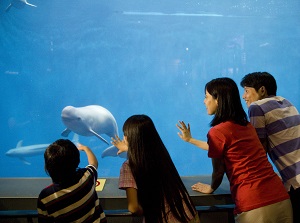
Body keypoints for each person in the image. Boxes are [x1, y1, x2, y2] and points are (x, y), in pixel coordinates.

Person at [177, 77, 292, 223]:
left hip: (255, 205)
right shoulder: (246, 126)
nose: (204, 101)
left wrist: (211, 188)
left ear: (218, 100)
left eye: (206, 97)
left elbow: (218, 171)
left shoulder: (217, 132)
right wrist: (191, 140)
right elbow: (225, 148)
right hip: (280, 198)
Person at [111, 114, 200, 223]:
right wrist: (129, 148)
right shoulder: (161, 153)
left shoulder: (128, 166)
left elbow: (133, 207)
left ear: (127, 137)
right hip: (188, 214)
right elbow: (143, 151)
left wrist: (145, 211)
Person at [240, 71, 300, 222]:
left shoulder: (257, 107)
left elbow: (259, 148)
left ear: (262, 90)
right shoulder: (287, 102)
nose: (244, 96)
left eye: (247, 91)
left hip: (295, 180)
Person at [37, 139, 107, 223]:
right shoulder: (87, 176)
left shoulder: (45, 197)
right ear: (77, 161)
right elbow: (94, 163)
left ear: (48, 168)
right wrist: (86, 149)